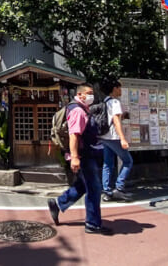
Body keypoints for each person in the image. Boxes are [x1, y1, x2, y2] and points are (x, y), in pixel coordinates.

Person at [47, 85, 108, 234]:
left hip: (87, 154)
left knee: (82, 185)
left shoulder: (81, 109)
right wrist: (75, 157)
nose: (91, 96)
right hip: (84, 156)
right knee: (94, 188)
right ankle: (92, 224)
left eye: (92, 93)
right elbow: (74, 135)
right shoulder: (78, 111)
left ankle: (59, 203)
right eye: (88, 94)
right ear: (80, 95)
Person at [99, 81, 133, 202]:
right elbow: (116, 121)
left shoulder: (105, 101)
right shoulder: (115, 102)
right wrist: (123, 139)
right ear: (114, 88)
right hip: (113, 137)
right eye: (119, 88)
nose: (121, 90)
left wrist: (122, 116)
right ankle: (119, 188)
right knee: (128, 161)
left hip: (104, 137)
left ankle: (107, 192)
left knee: (107, 163)